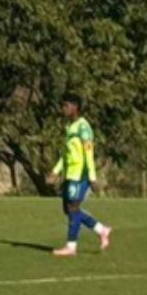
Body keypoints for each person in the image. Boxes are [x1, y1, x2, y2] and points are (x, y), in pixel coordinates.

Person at [47, 94, 112, 258]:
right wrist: (56, 171)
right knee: (68, 210)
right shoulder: (70, 127)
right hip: (70, 174)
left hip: (80, 175)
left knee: (73, 208)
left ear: (75, 107)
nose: (63, 109)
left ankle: (71, 246)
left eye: (66, 105)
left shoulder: (83, 128)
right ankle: (101, 230)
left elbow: (88, 153)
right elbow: (66, 154)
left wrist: (91, 177)